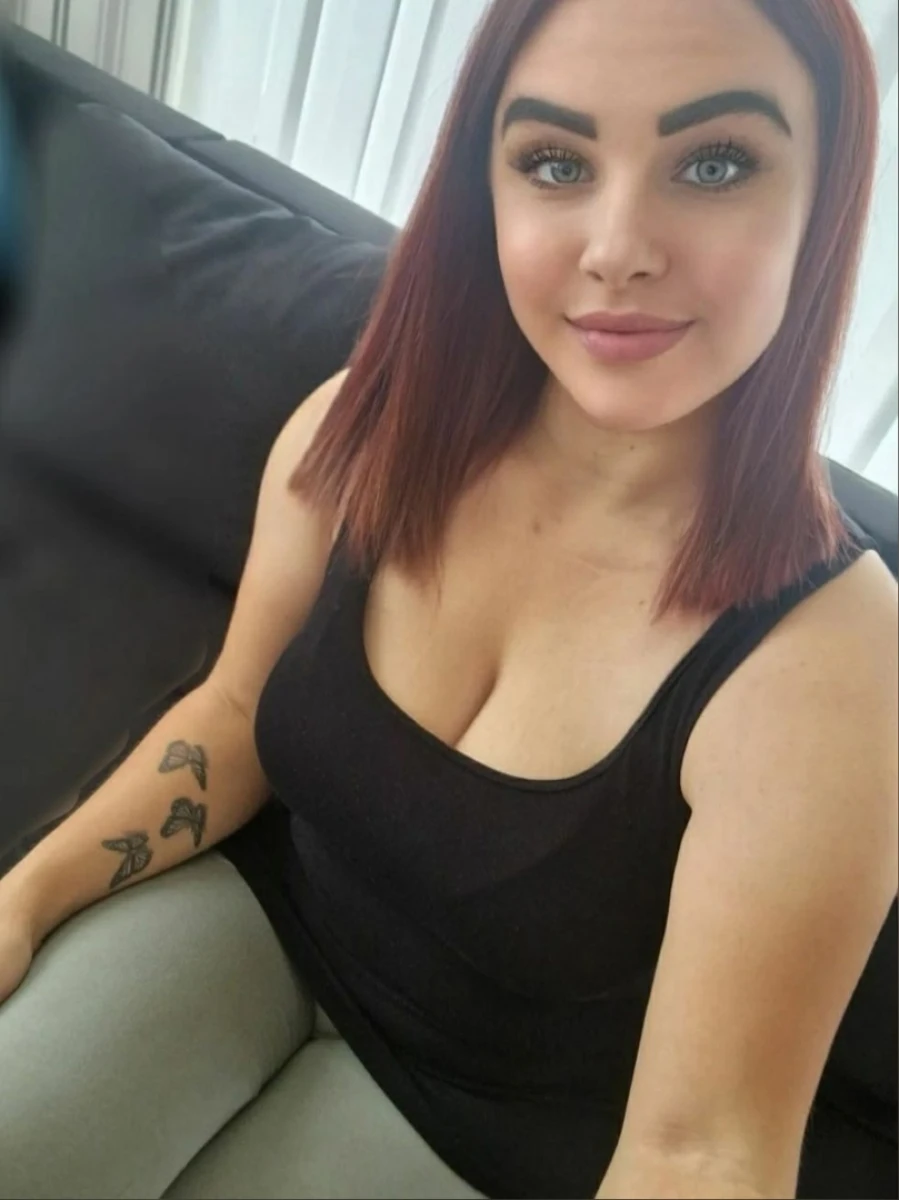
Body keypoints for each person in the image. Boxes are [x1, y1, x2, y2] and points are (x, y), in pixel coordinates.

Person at [0, 0, 896, 1197]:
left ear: (822, 201)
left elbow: (704, 1149)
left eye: (713, 163)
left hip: (500, 1126)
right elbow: (233, 714)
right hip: (264, 921)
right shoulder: (358, 431)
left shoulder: (836, 663)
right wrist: (23, 898)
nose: (617, 247)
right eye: (555, 162)